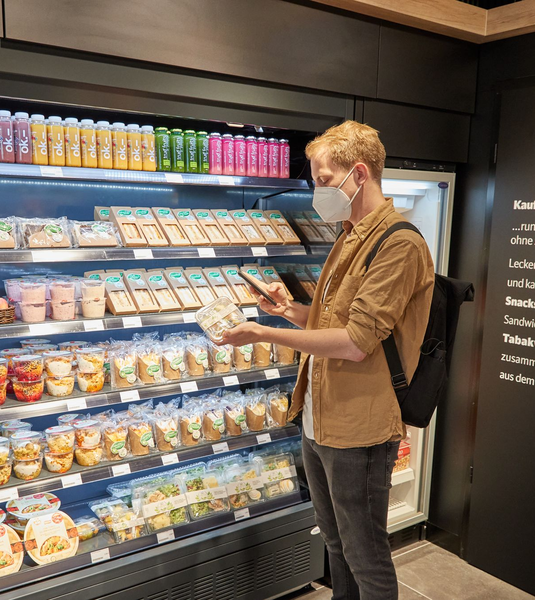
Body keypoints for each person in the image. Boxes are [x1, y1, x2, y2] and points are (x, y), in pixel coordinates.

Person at [220, 121, 434, 600]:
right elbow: (332, 322)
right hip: (321, 418)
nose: (317, 191)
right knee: (336, 546)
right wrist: (291, 311)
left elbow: (358, 342)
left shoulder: (399, 243)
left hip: (358, 426)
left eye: (322, 179)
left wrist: (260, 331)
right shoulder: (350, 234)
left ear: (358, 174)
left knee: (366, 555)